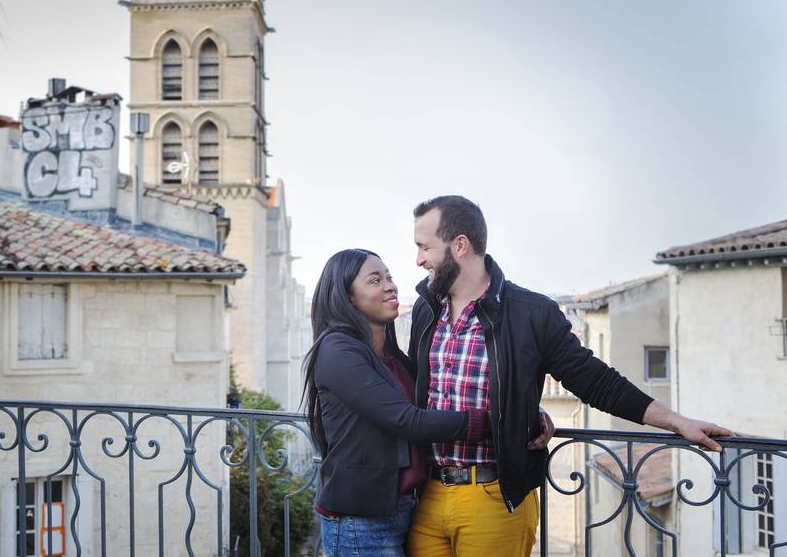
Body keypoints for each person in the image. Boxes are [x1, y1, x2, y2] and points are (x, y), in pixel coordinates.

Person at [406, 195, 733, 557]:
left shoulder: (531, 313)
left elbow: (597, 382)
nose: (419, 259)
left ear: (460, 245)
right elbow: (410, 390)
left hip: (496, 499)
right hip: (428, 496)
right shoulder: (426, 310)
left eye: (425, 247)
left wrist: (676, 422)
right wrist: (528, 413)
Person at [303, 248, 532, 556]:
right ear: (348, 297)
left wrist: (531, 413)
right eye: (375, 280)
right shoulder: (338, 351)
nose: (389, 286)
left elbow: (441, 398)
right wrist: (494, 421)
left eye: (389, 277)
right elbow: (406, 419)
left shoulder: (393, 359)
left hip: (403, 510)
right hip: (361, 520)